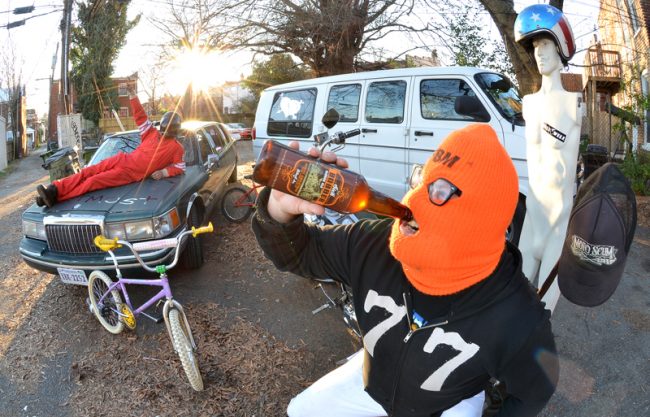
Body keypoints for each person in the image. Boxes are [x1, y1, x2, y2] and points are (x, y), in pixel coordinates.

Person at [252, 124, 559, 417]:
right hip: (373, 382)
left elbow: (534, 391)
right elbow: (298, 254)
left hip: (450, 404)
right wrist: (279, 211)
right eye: (421, 180)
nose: (412, 202)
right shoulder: (375, 243)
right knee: (300, 410)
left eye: (440, 190)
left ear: (480, 219)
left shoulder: (517, 315)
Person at [514, 4, 582, 312]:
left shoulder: (572, 103)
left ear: (560, 47)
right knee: (512, 301)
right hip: (533, 218)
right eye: (535, 46)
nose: (539, 52)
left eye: (545, 44)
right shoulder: (528, 103)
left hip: (558, 221)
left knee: (542, 313)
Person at [35, 86, 186, 208]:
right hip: (121, 159)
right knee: (87, 172)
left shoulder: (176, 148)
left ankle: (56, 199)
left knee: (93, 181)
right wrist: (133, 96)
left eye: (167, 132)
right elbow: (140, 116)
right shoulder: (151, 132)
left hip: (128, 174)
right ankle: (53, 190)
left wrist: (164, 172)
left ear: (174, 131)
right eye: (162, 130)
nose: (162, 134)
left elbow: (180, 167)